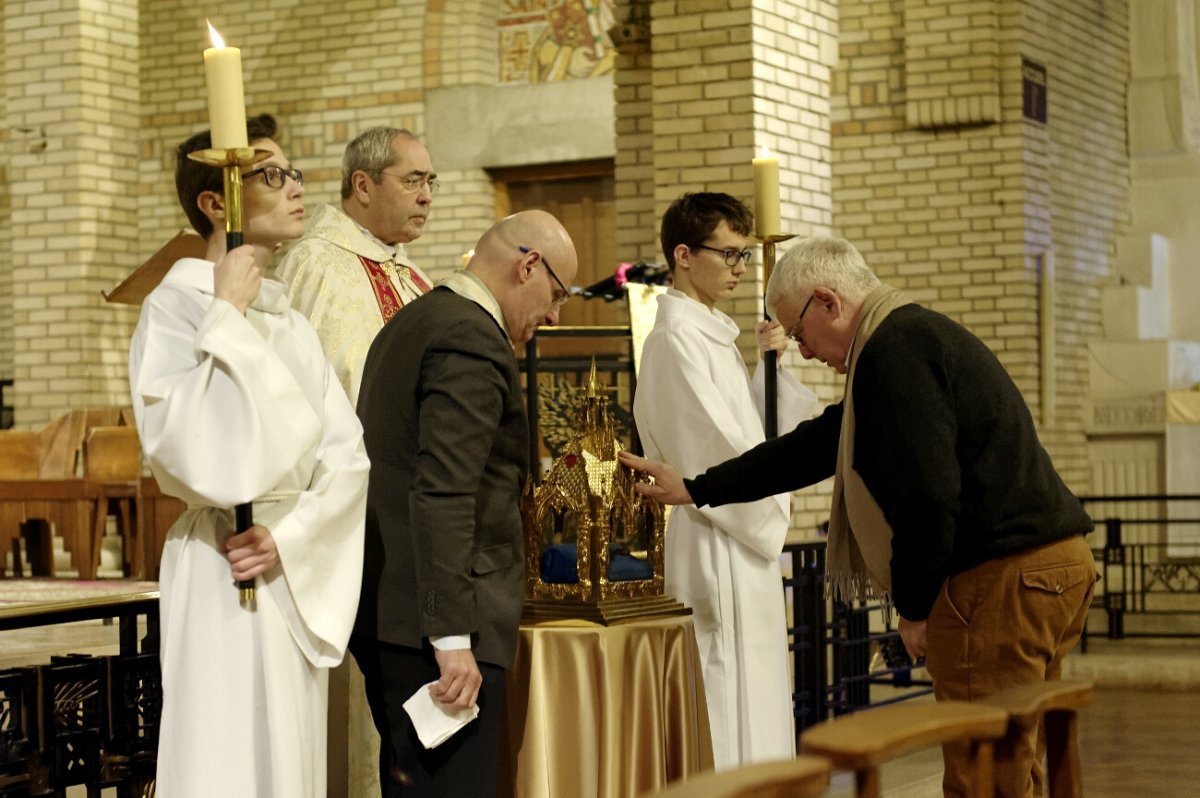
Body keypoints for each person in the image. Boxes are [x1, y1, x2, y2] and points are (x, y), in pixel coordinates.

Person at [619, 236, 1097, 798]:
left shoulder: (894, 352)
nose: (803, 350)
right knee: (1018, 763)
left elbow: (928, 495)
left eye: (799, 332)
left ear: (828, 302)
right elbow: (816, 446)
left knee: (985, 775)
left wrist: (916, 607)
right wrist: (698, 487)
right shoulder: (903, 340)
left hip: (1002, 580)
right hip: (1051, 566)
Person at [128, 114, 369, 798]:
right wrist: (224, 316)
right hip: (220, 564)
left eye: (292, 172)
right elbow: (187, 448)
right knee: (224, 760)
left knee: (288, 763)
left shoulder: (287, 318)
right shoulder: (175, 309)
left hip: (286, 564)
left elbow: (345, 455)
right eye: (272, 175)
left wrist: (288, 536)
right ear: (216, 203)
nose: (296, 188)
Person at [353, 209, 578, 796]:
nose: (554, 315)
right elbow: (446, 490)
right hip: (441, 626)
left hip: (395, 612)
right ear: (528, 265)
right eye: (556, 294)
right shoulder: (472, 337)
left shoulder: (414, 320)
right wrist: (453, 637)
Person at [633, 192, 818, 770]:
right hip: (714, 538)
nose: (740, 268)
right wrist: (773, 493)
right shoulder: (675, 341)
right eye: (729, 255)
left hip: (740, 538)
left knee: (755, 692)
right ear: (684, 255)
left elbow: (752, 437)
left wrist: (770, 368)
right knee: (722, 690)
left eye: (744, 256)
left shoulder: (712, 333)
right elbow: (712, 456)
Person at [275, 126, 436, 404]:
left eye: (429, 183)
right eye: (412, 181)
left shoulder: (413, 276)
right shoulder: (316, 264)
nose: (426, 197)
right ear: (362, 186)